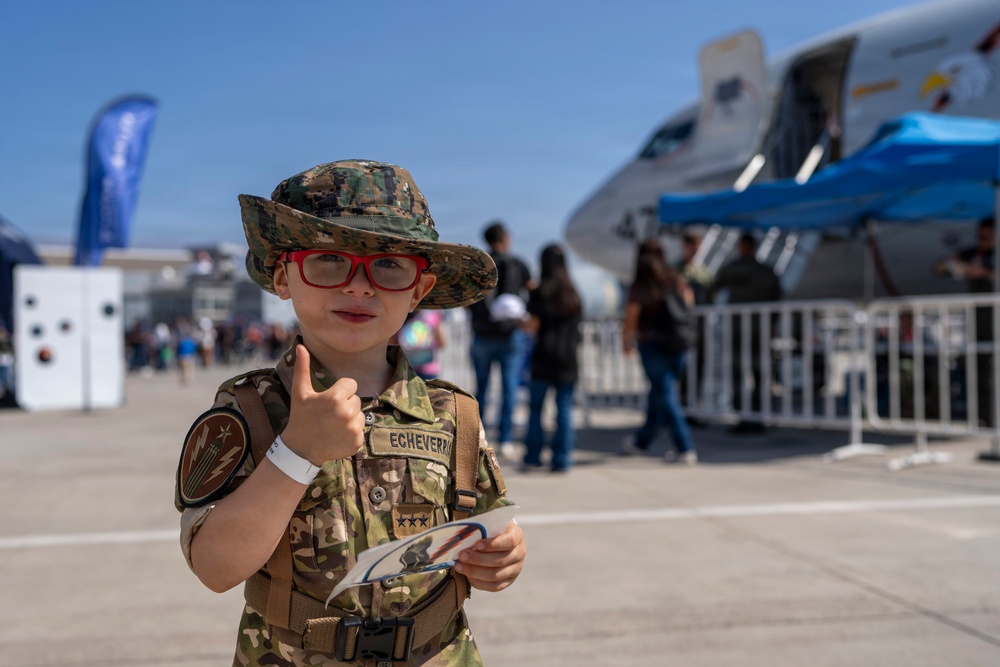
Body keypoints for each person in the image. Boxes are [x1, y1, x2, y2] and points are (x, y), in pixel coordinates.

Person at [174, 161, 526, 667]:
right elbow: (215, 567)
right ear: (284, 278)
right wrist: (297, 452)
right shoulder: (249, 409)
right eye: (328, 259)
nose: (359, 286)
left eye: (389, 265)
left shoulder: (454, 414)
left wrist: (504, 555)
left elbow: (489, 528)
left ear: (419, 291)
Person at [620, 238, 698, 464]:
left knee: (665, 394)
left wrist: (625, 342)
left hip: (653, 344)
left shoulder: (641, 284)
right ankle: (641, 442)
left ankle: (685, 447)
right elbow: (688, 303)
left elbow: (631, 317)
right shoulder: (674, 277)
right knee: (659, 394)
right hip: (678, 343)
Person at [467, 221, 533, 459]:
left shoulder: (479, 266)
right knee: (509, 387)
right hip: (509, 334)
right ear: (505, 238)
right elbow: (532, 291)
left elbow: (467, 300)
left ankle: (477, 437)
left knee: (481, 389)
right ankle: (506, 438)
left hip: (482, 335)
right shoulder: (517, 264)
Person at [520, 244, 582, 473]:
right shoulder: (573, 293)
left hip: (544, 355)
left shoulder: (540, 292)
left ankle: (533, 456)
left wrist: (519, 321)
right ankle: (562, 459)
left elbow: (532, 326)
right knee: (563, 409)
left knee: (536, 408)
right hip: (568, 358)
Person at [711, 232, 781, 433]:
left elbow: (713, 289)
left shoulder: (732, 269)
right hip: (761, 330)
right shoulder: (765, 272)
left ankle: (743, 416)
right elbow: (777, 297)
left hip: (737, 330)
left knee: (738, 374)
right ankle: (757, 416)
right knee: (759, 374)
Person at [933, 216, 995, 424]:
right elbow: (937, 268)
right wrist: (951, 266)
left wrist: (985, 273)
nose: (982, 241)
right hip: (979, 320)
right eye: (980, 236)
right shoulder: (971, 254)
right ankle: (986, 416)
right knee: (980, 370)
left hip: (995, 318)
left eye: (987, 237)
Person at [397, 308, 446, 380]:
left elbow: (394, 342)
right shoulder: (432, 316)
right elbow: (441, 342)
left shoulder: (402, 315)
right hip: (428, 370)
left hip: (409, 369)